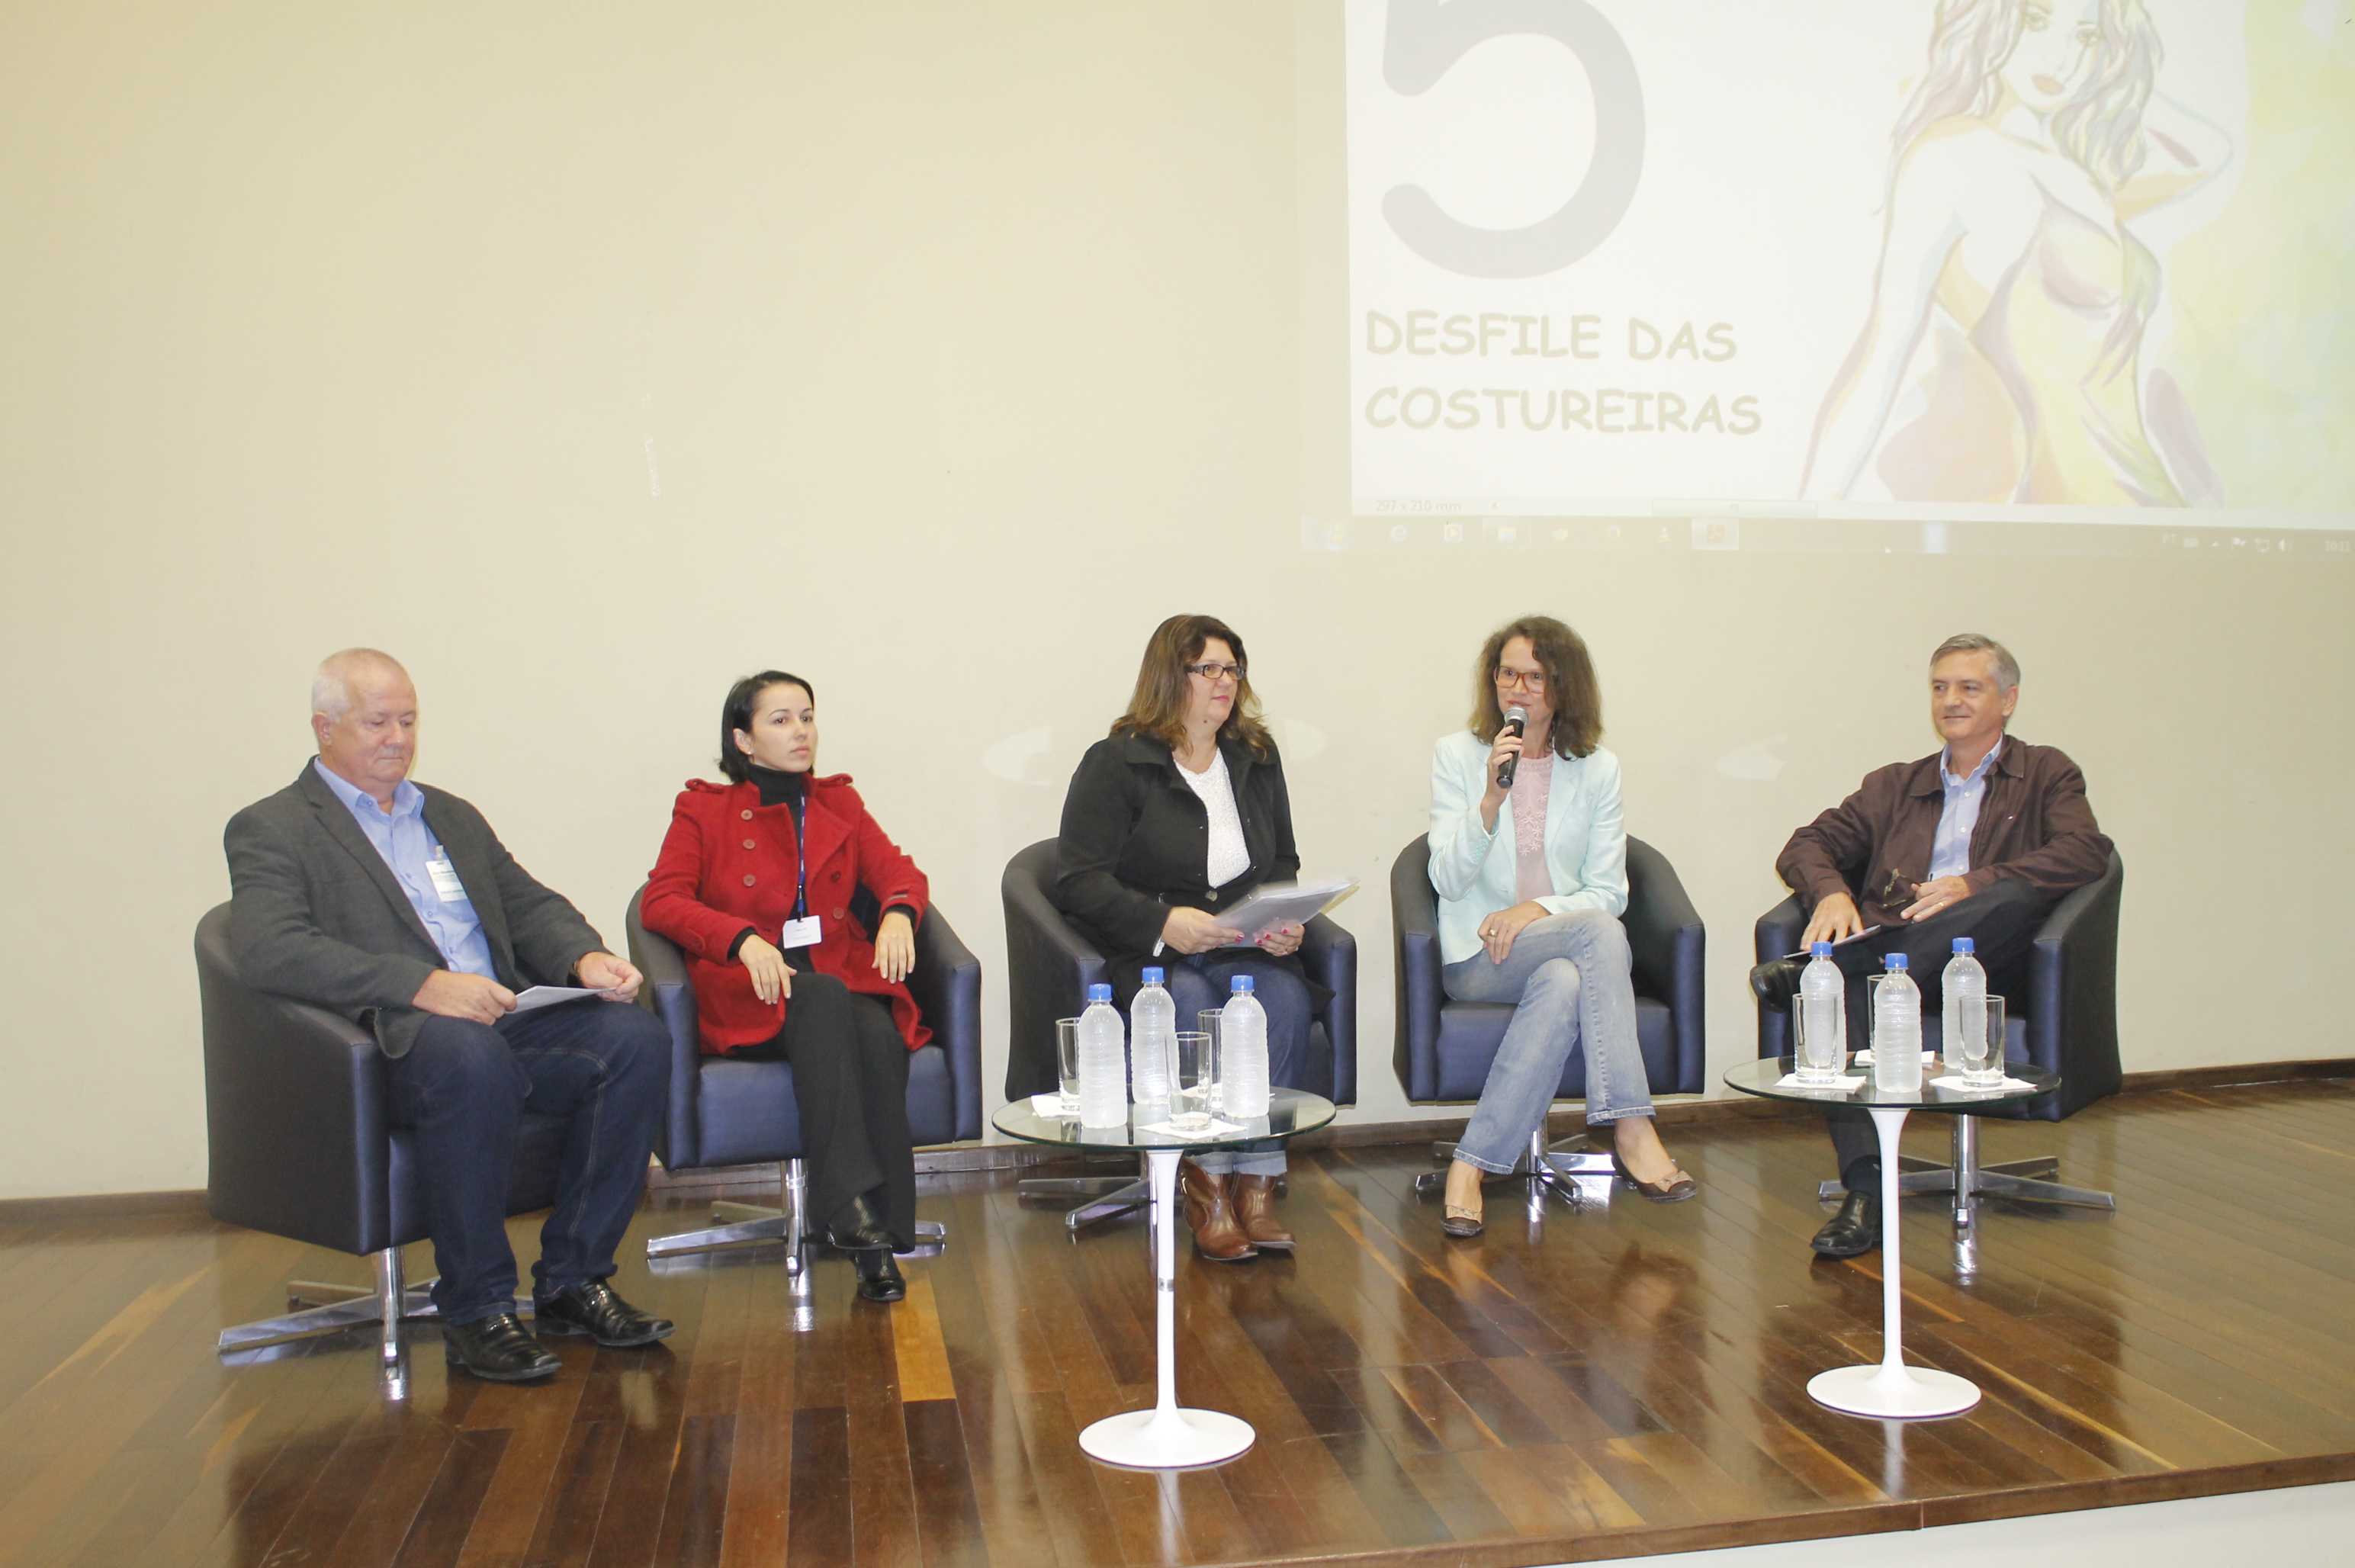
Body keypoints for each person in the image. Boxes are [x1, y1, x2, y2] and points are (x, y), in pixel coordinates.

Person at [224, 649, 672, 1383]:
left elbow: (529, 904)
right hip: (390, 1043)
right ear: (324, 728)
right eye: (377, 722)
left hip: (499, 1022)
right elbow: (271, 950)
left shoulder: (449, 816)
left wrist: (581, 959)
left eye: (407, 720)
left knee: (633, 1041)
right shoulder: (275, 827)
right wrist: (422, 985)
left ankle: (573, 1280)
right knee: (470, 1057)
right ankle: (477, 1309)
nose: (397, 737)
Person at [1750, 633, 2113, 1258]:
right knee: (1870, 987)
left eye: (1969, 687)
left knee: (2013, 895)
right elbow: (1806, 844)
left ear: (2009, 699)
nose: (1951, 700)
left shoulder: (2048, 771)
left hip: (1997, 960)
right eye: (1940, 687)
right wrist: (1832, 895)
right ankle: (1867, 1193)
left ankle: (1846, 967)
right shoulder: (1895, 785)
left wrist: (1973, 884)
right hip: (1900, 955)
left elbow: (2087, 851)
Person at [1801, 0, 2228, 506]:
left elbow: (2208, 150)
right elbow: (1881, 357)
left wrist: (2122, 65)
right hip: (2067, 514)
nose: (2061, 60)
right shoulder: (1952, 156)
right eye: (2038, 21)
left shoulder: (2083, 170)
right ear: (1995, 19)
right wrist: (1807, 518)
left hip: (2152, 506)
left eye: (2087, 39)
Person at [641, 671, 932, 1305]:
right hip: (750, 990)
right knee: (830, 997)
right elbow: (661, 902)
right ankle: (853, 1212)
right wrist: (741, 939)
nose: (800, 731)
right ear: (743, 739)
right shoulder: (703, 809)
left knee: (877, 1034)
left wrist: (898, 913)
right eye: (780, 719)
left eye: (806, 716)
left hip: (829, 983)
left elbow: (899, 872)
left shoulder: (839, 803)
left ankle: (874, 1242)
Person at [1053, 614, 1319, 1262]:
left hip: (1240, 946)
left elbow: (1281, 859)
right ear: (1172, 678)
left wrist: (1284, 921)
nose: (1224, 683)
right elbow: (1077, 880)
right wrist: (1162, 923)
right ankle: (1206, 1184)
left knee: (1281, 999)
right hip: (1148, 955)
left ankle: (1256, 1183)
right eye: (1208, 670)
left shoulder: (1254, 757)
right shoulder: (1119, 763)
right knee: (1196, 996)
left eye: (1232, 670)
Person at [1427, 616, 1696, 1238]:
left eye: (1535, 677)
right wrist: (1491, 800)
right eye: (1507, 674)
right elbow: (1445, 879)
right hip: (1479, 954)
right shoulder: (1457, 755)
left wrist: (1534, 911)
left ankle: (1470, 1166)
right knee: (1599, 935)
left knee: (1571, 973)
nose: (1517, 690)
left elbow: (1610, 891)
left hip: (1553, 947)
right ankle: (1631, 1126)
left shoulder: (1599, 769)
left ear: (1564, 686)